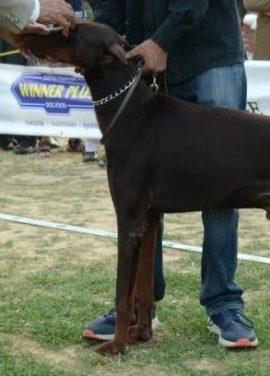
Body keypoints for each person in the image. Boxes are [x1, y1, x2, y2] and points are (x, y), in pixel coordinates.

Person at [83, 0, 258, 348]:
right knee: (142, 194)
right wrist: (101, 37)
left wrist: (162, 40)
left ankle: (224, 305)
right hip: (145, 57)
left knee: (222, 183)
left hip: (210, 56)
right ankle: (139, 305)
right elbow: (107, 5)